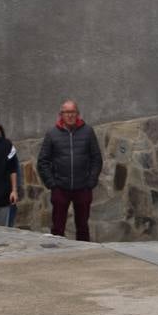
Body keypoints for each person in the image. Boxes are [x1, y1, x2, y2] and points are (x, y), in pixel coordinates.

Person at [36, 99, 103, 241]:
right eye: (67, 112)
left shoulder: (88, 131)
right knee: (57, 228)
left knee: (83, 227)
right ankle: (58, 257)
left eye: (73, 112)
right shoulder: (52, 133)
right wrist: (52, 184)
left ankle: (83, 257)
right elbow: (43, 161)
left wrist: (91, 181)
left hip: (83, 188)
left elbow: (96, 158)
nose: (70, 115)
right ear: (61, 114)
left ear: (77, 113)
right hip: (60, 188)